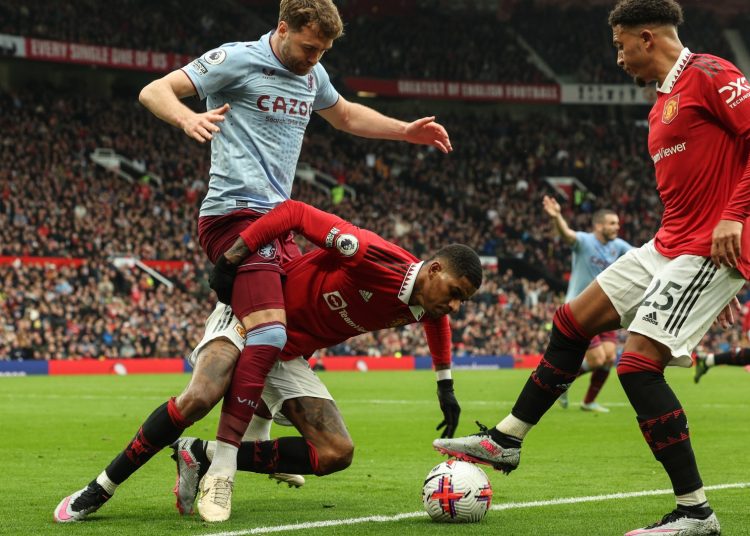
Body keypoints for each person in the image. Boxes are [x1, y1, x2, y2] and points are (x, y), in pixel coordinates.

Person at [434, 1, 749, 534]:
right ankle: (506, 440)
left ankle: (696, 512)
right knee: (571, 320)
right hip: (671, 245)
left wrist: (735, 222)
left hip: (706, 245)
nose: (618, 57)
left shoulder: (713, 74)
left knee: (636, 366)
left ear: (646, 38)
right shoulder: (661, 102)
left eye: (621, 44)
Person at [138, 0, 452, 524]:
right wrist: (187, 117)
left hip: (280, 225)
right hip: (237, 218)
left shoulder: (314, 73)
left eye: (324, 50)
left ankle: (229, 436)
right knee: (262, 337)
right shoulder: (236, 60)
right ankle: (218, 457)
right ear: (282, 28)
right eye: (309, 46)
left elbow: (346, 115)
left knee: (285, 329)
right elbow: (155, 90)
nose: (315, 58)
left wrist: (405, 131)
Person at [54, 199, 482, 523]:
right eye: (455, 293)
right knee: (200, 397)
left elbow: (435, 323)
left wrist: (444, 383)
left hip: (286, 354)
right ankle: (99, 489)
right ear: (434, 269)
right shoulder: (369, 254)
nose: (455, 306)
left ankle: (198, 454)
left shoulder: (427, 303)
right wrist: (233, 258)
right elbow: (294, 211)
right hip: (252, 312)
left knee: (336, 453)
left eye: (462, 300)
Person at [543, 196, 631, 412]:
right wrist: (557, 218)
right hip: (580, 309)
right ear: (598, 225)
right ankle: (560, 384)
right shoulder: (584, 241)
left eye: (617, 223)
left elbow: (643, 254)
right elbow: (567, 235)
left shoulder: (618, 246)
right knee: (598, 359)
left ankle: (588, 401)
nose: (617, 227)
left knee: (610, 358)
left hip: (606, 309)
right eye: (612, 223)